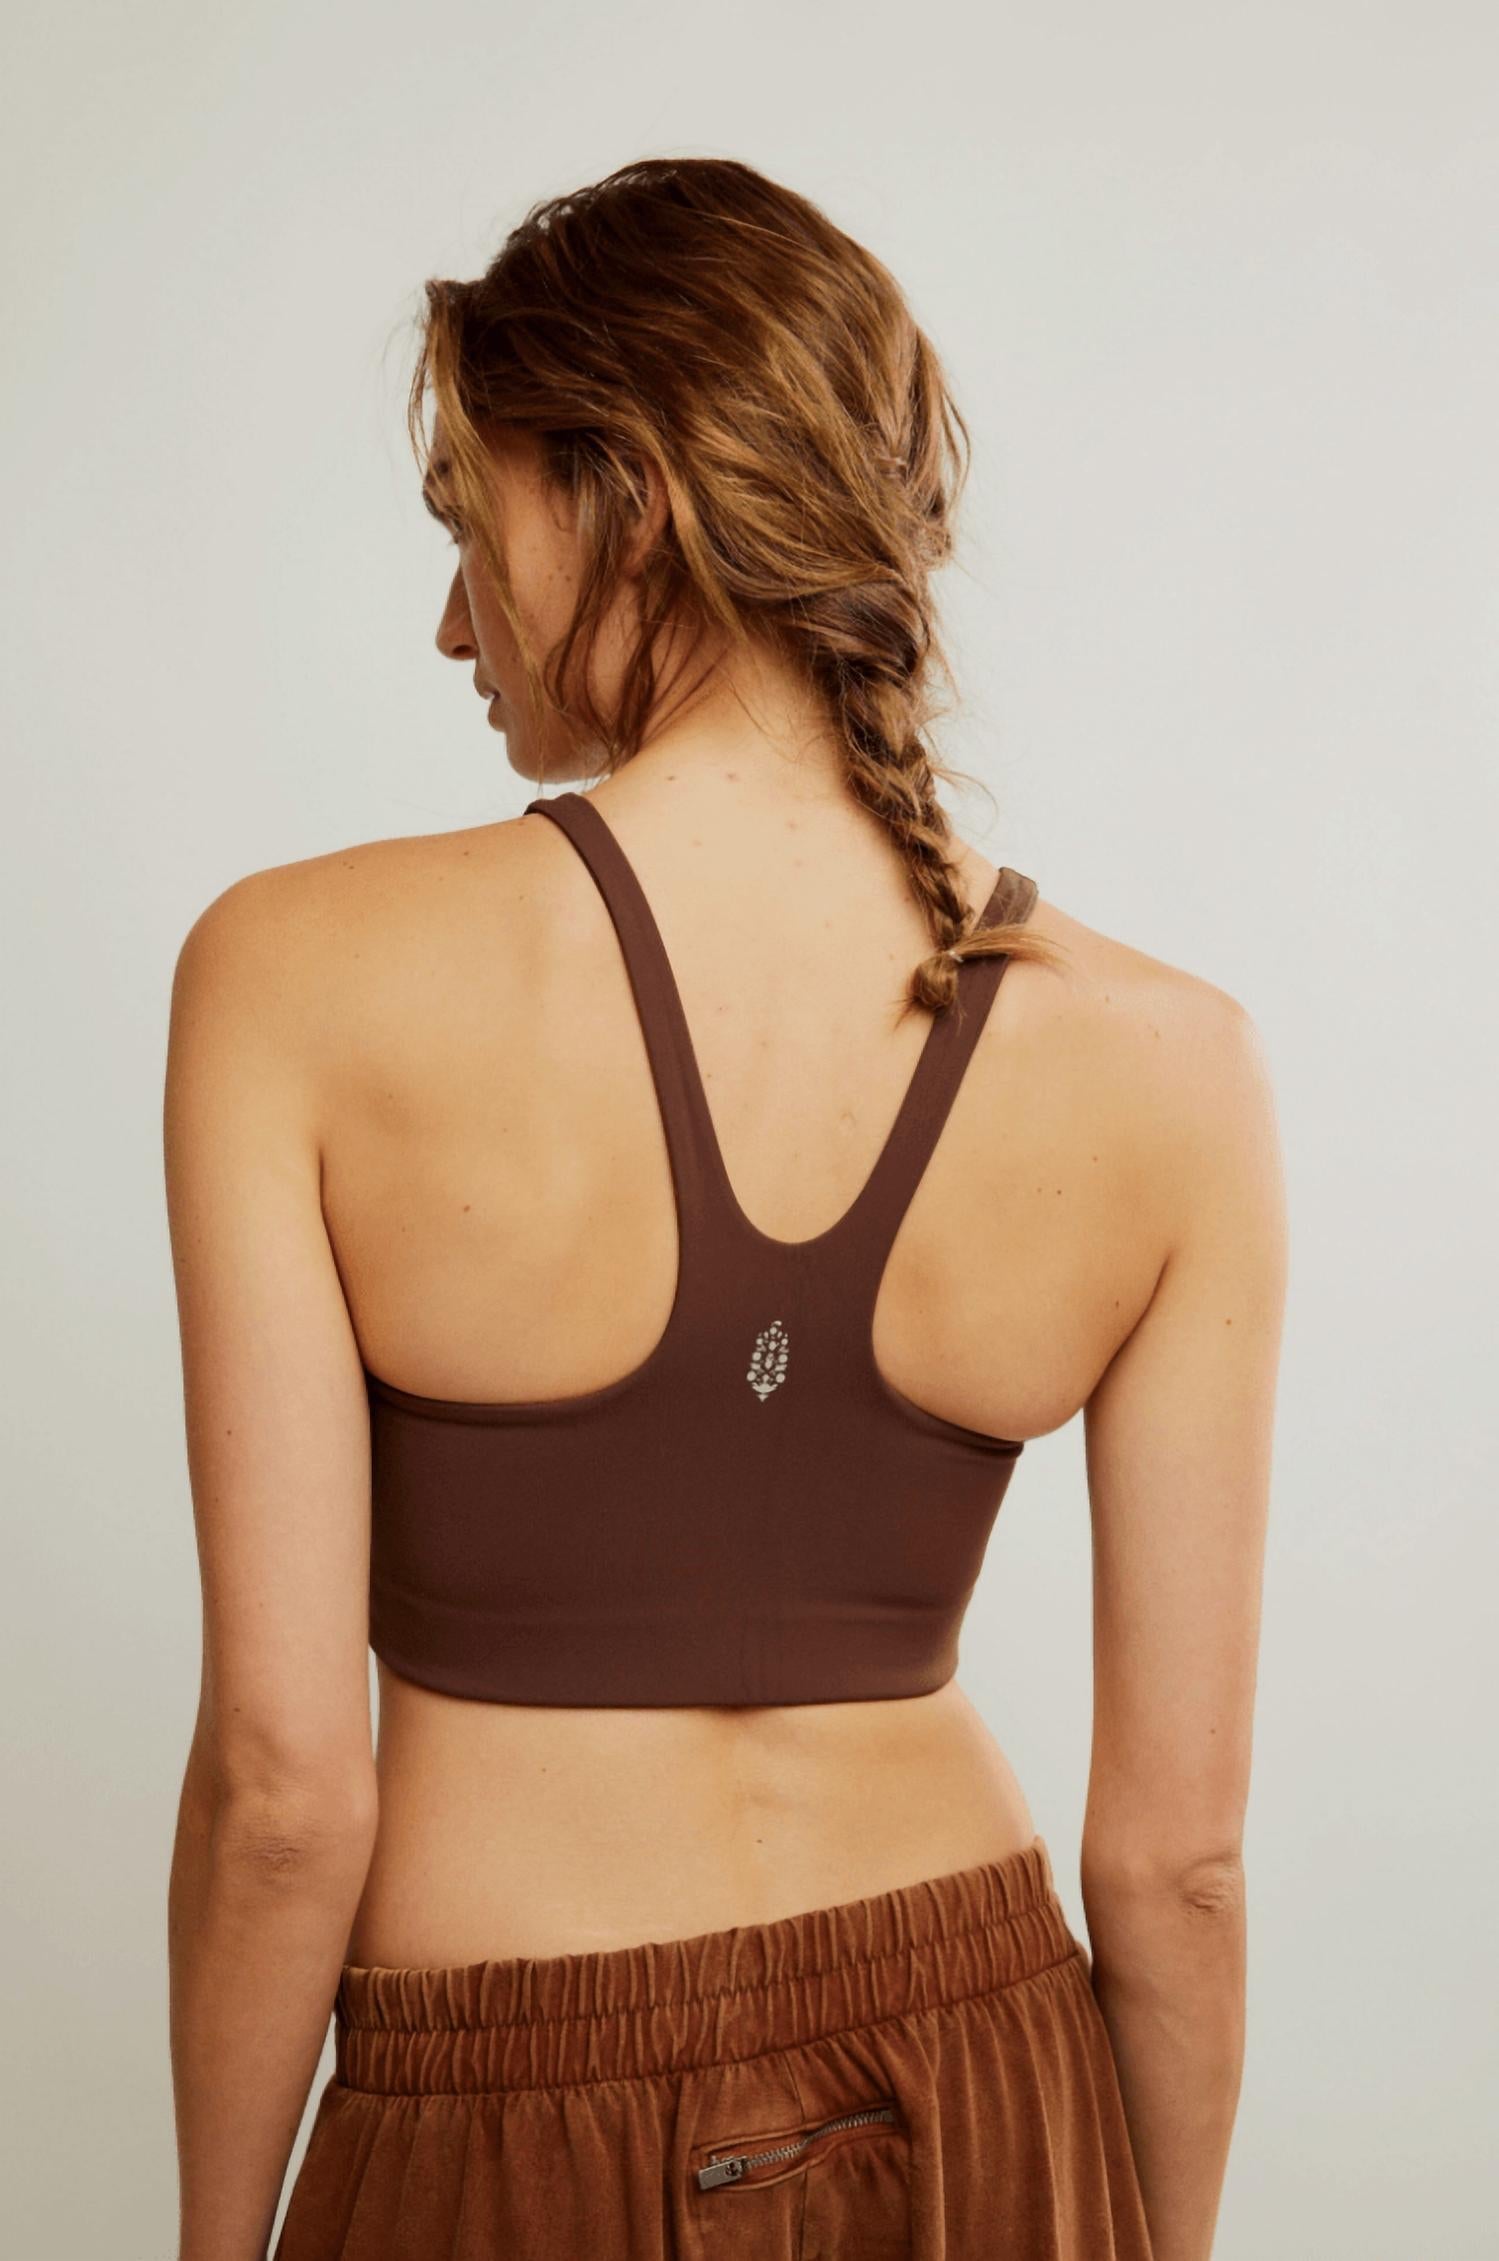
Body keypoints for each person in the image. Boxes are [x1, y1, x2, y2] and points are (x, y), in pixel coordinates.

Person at [164, 158, 1286, 2261]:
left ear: (631, 499)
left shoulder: (293, 980)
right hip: (986, 2071)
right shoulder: (1176, 1062)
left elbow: (285, 1795)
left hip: (508, 2102)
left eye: (468, 525)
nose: (453, 621)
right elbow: (1181, 1870)